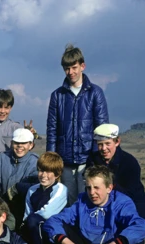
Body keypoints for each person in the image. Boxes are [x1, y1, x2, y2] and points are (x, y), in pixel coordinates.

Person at [46, 44, 109, 207]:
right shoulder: (57, 96)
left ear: (82, 66)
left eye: (74, 67)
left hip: (87, 160)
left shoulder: (95, 93)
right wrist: (51, 162)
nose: (71, 72)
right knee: (68, 203)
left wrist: (97, 159)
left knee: (89, 200)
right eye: (67, 68)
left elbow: (102, 129)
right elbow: (52, 130)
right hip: (65, 161)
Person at [23, 152, 67, 244]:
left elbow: (48, 213)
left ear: (57, 174)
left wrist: (31, 219)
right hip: (34, 227)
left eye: (48, 172)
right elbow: (27, 212)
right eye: (41, 170)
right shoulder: (32, 190)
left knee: (34, 221)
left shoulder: (60, 189)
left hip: (54, 227)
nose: (43, 175)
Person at [0, 128, 39, 230]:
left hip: (23, 208)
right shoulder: (1, 158)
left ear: (31, 145)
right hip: (1, 205)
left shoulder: (35, 163)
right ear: (11, 143)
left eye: (24, 143)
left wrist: (17, 189)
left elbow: (35, 187)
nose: (20, 146)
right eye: (16, 142)